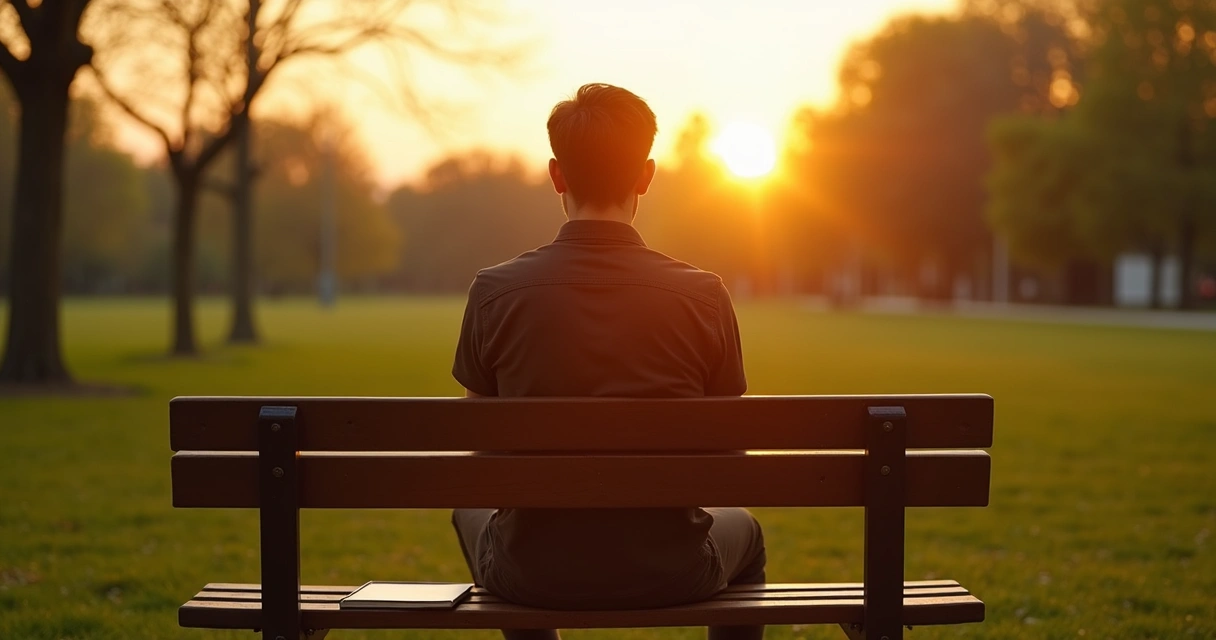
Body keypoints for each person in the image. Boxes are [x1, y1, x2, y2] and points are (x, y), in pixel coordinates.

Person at [451, 83, 766, 640]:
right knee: (748, 531)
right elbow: (729, 453)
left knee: (466, 511)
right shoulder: (704, 296)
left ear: (556, 176)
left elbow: (480, 447)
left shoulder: (494, 292)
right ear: (645, 175)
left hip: (532, 574)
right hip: (673, 569)